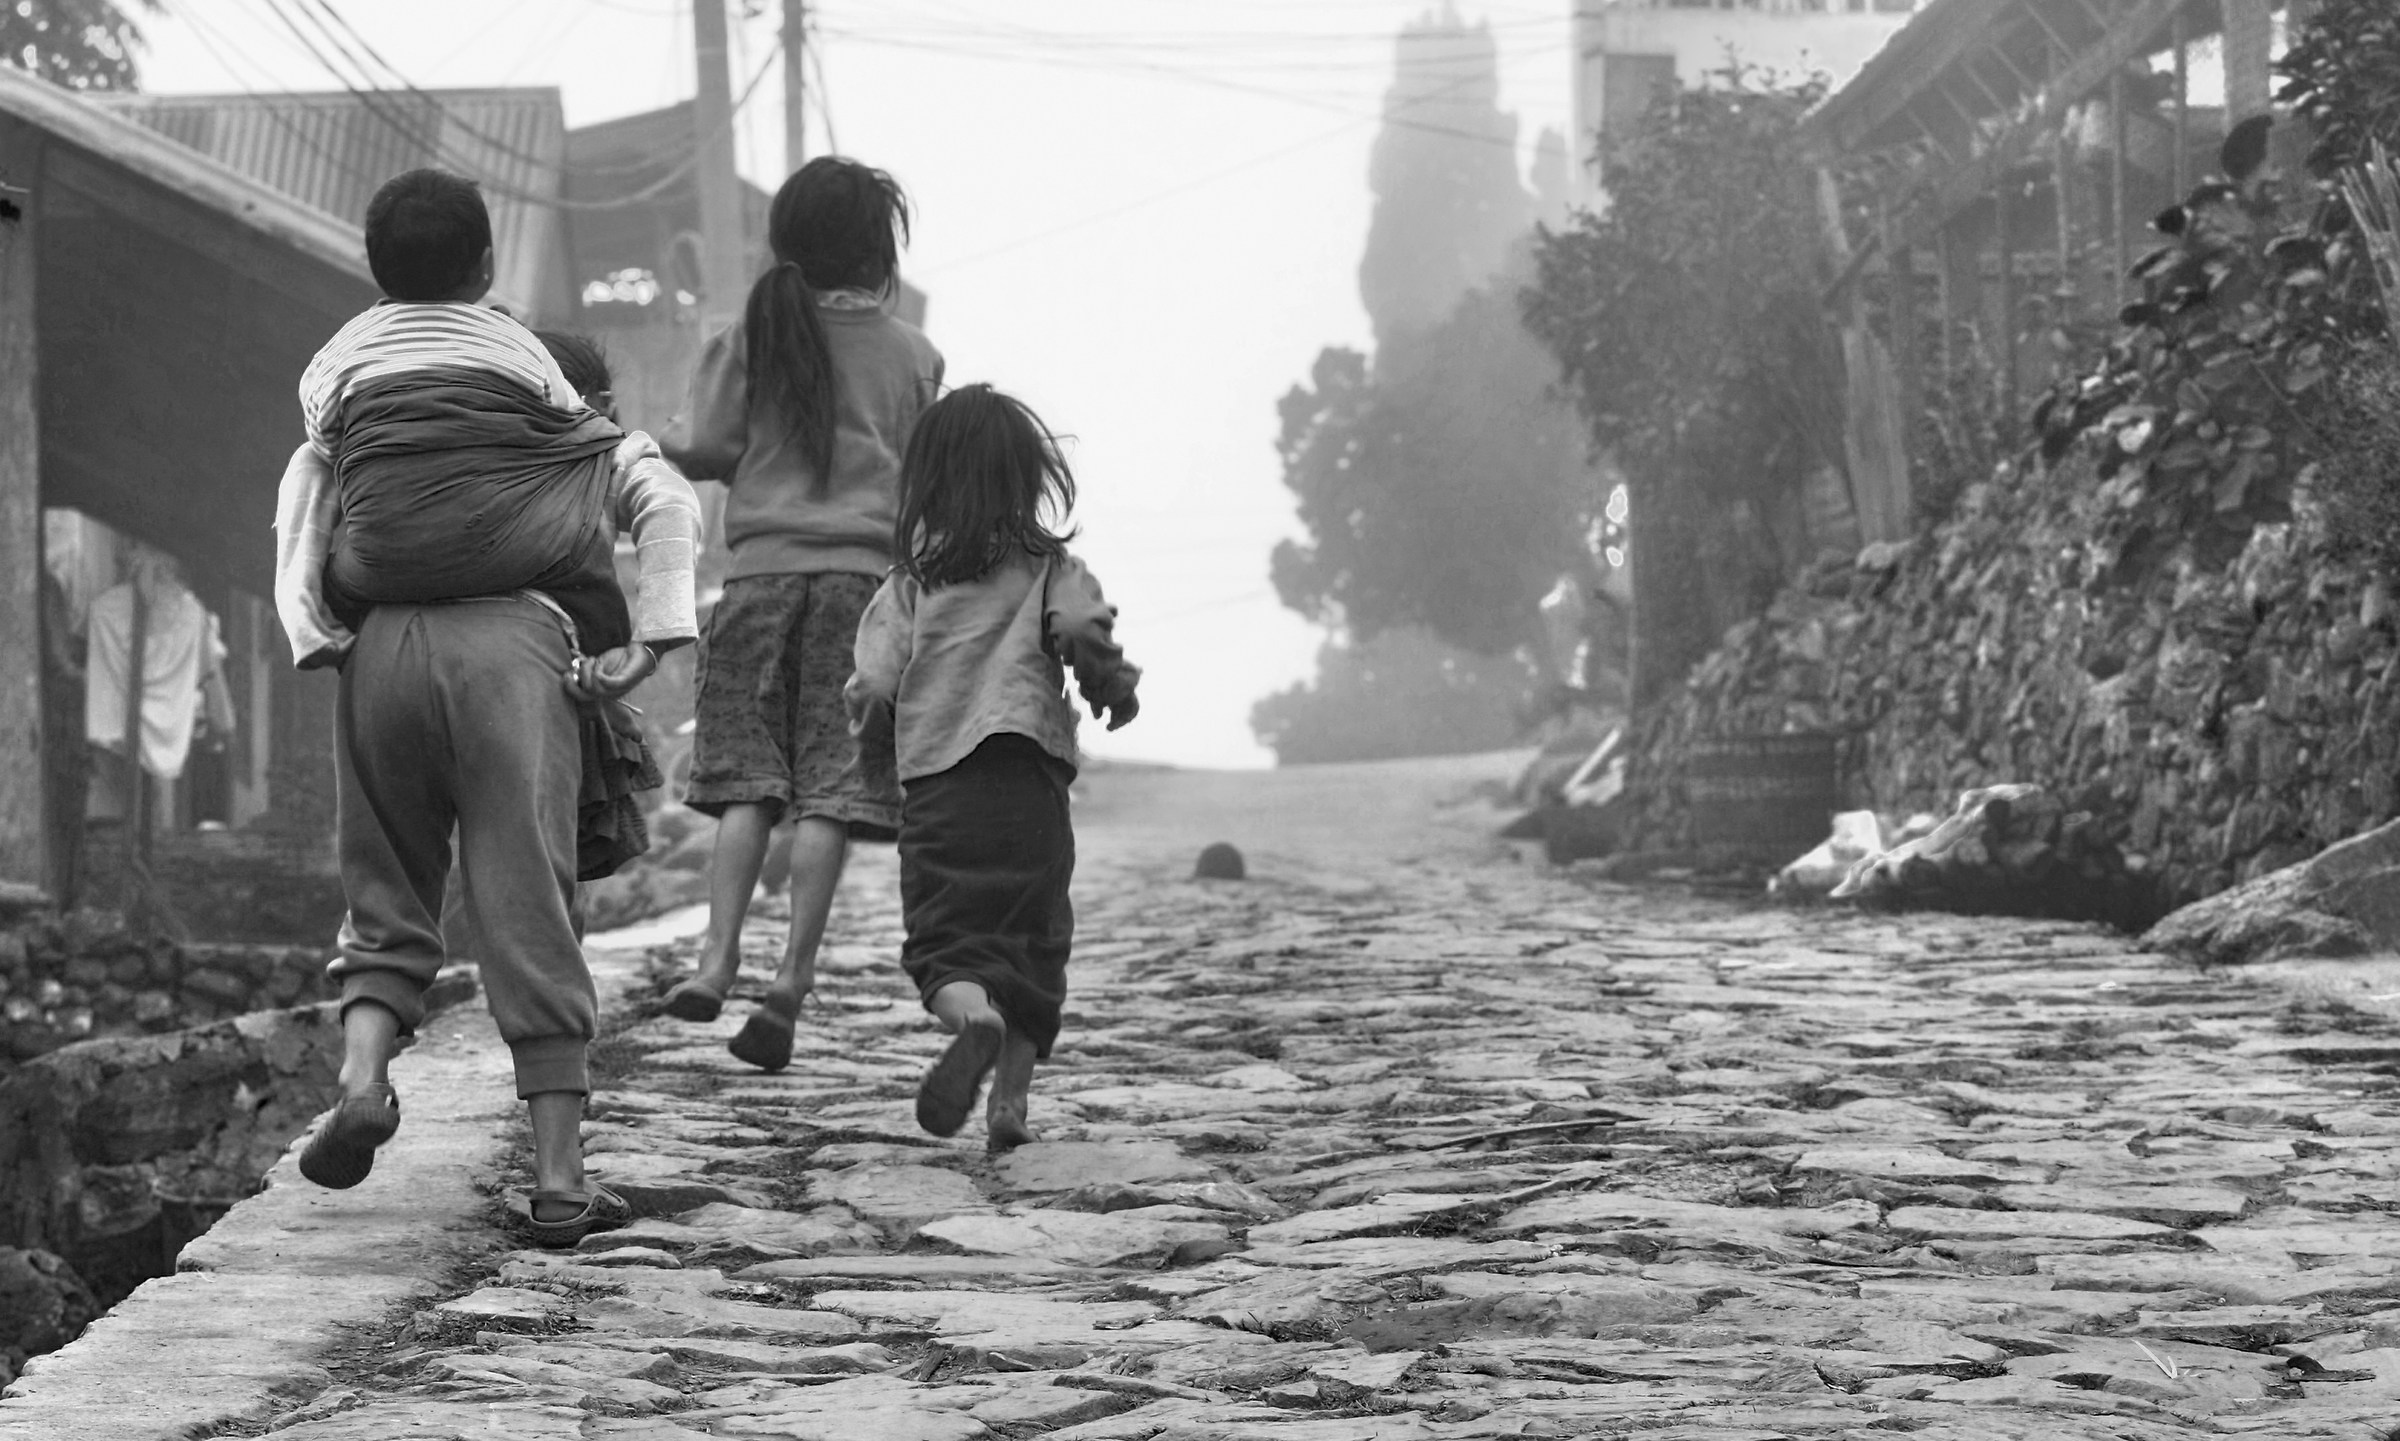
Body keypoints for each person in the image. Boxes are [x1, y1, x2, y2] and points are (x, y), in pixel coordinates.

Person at [272, 169, 702, 1247]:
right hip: (513, 651)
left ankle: (363, 1080)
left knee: (384, 889)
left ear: (375, 268)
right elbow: (654, 492)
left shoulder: (340, 364)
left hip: (378, 651)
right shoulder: (526, 364)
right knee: (525, 902)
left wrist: (312, 626)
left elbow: (307, 485)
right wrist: (652, 639)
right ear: (488, 265)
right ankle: (559, 1180)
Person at [660, 156, 944, 1073]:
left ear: (786, 241)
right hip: (862, 593)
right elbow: (927, 481)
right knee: (829, 788)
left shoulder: (753, 332)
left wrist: (645, 441)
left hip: (759, 581)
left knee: (748, 782)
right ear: (878, 250)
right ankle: (791, 978)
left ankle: (715, 960)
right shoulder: (913, 355)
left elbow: (706, 445)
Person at [843, 384, 1141, 1150]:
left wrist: (874, 752)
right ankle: (1009, 1105)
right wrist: (1111, 688)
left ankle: (973, 1017)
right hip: (1030, 784)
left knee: (945, 943)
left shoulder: (911, 581)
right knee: (1033, 941)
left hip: (940, 789)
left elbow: (874, 682)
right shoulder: (1049, 566)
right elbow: (1081, 626)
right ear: (1027, 477)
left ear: (927, 479)